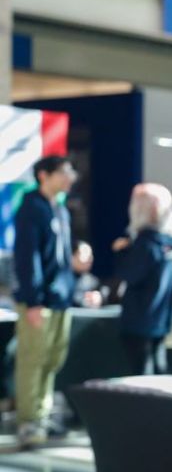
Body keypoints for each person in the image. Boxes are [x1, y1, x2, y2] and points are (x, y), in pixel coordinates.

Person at [13, 156, 88, 447]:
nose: (70, 177)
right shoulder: (31, 208)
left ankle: (42, 416)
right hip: (39, 301)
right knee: (32, 360)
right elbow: (27, 258)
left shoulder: (59, 208)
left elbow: (58, 255)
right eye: (64, 171)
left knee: (52, 359)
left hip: (60, 297)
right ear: (44, 175)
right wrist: (32, 301)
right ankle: (29, 421)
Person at [111, 183, 172, 375]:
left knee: (142, 373)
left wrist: (122, 253)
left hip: (140, 317)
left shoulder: (146, 245)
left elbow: (130, 274)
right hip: (161, 316)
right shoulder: (169, 243)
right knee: (158, 366)